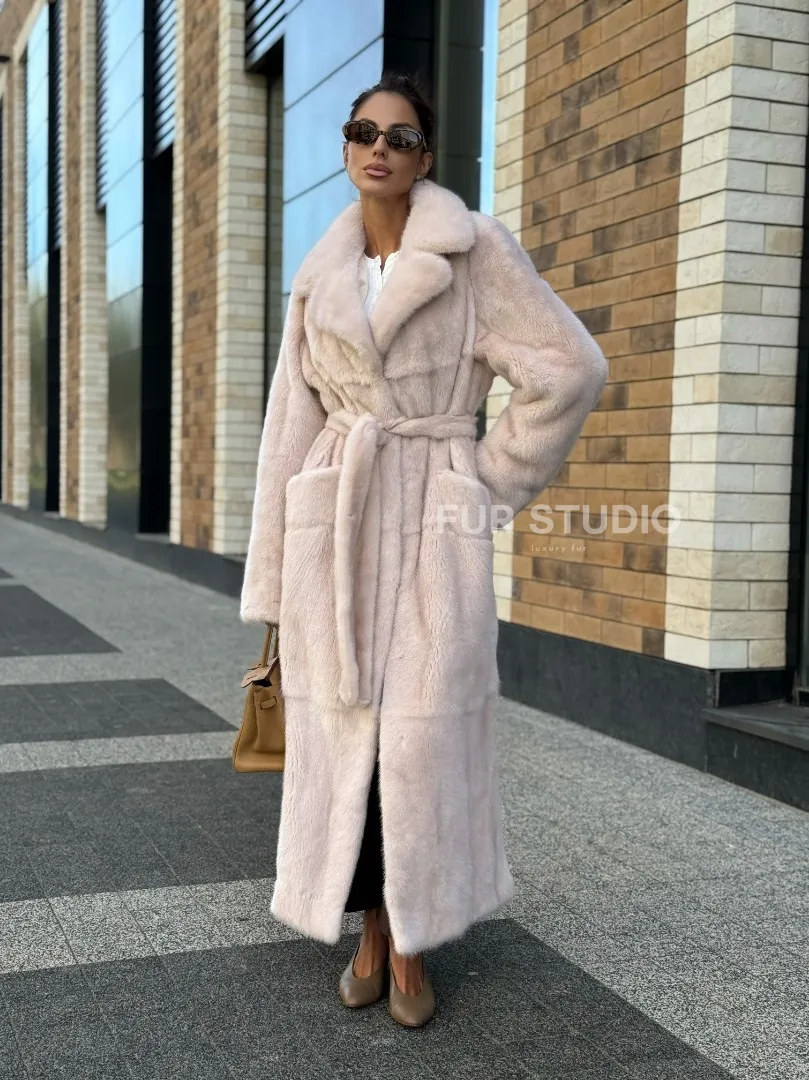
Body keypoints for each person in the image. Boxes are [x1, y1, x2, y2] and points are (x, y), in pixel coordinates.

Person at [240, 70, 608, 1028]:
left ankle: (411, 941)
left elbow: (568, 368)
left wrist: (482, 482)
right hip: (333, 522)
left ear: (425, 156)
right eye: (364, 132)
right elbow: (288, 428)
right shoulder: (318, 272)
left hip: (431, 518)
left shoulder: (472, 250)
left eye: (399, 137)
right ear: (346, 146)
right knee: (345, 729)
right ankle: (369, 928)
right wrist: (272, 579)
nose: (379, 149)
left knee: (417, 735)